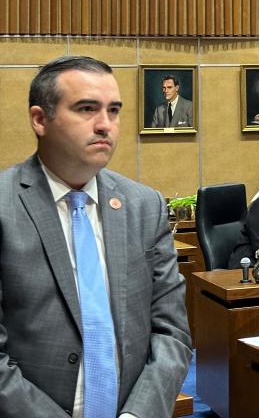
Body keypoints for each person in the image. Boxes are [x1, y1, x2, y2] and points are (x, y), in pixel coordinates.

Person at [0, 56, 190, 416]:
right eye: (87, 109)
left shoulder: (143, 206)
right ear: (40, 119)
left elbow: (171, 332)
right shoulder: (5, 205)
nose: (105, 125)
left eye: (114, 110)